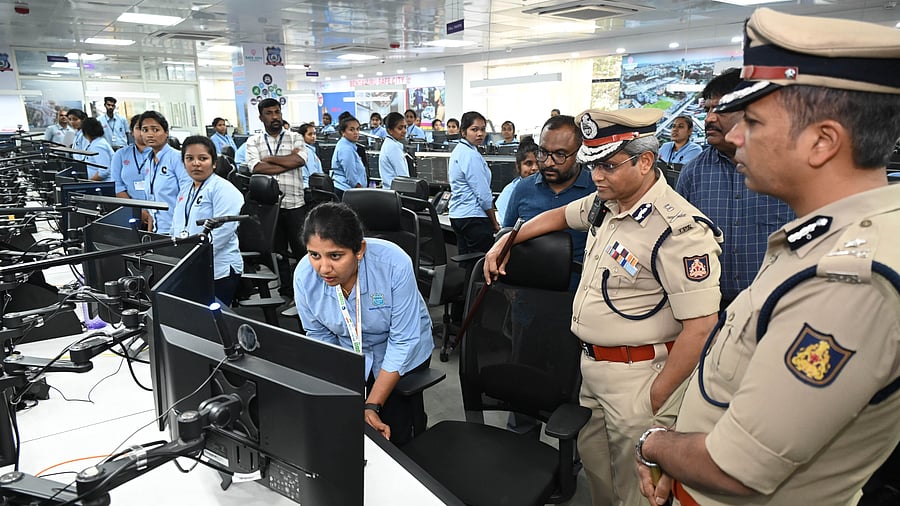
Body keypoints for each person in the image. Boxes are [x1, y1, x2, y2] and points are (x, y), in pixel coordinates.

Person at [635, 8, 900, 506]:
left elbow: (736, 469)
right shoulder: (821, 239)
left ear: (822, 142)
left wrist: (654, 444)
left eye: (753, 122)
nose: (735, 136)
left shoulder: (848, 277)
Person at [483, 108, 722, 506]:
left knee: (638, 492)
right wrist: (508, 239)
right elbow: (559, 215)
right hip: (592, 372)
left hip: (639, 377)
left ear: (645, 161)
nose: (596, 176)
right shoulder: (606, 203)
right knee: (600, 480)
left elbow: (701, 328)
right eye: (593, 164)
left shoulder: (679, 231)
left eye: (609, 166)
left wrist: (655, 400)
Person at [293, 202, 434, 446]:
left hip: (401, 349)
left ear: (359, 250)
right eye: (314, 255)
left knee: (394, 430)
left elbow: (403, 340)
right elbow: (319, 334)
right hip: (349, 350)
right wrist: (344, 385)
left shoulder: (394, 264)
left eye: (335, 256)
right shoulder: (304, 276)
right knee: (344, 424)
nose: (324, 268)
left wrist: (371, 405)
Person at [676, 69, 794, 310]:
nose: (709, 119)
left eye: (721, 109)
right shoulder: (693, 173)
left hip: (778, 305)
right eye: (707, 109)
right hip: (711, 308)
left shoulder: (787, 171)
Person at [501, 115, 595, 266]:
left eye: (560, 154)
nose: (548, 162)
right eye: (543, 152)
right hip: (526, 277)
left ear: (580, 153)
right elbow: (506, 235)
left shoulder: (597, 190)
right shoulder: (523, 188)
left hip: (579, 279)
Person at [246, 98, 309, 297]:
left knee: (302, 251)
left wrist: (270, 159)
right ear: (261, 117)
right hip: (269, 207)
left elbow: (299, 160)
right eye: (269, 113)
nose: (274, 117)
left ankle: (307, 290)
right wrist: (287, 161)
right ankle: (287, 291)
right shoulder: (253, 141)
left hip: (294, 203)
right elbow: (256, 168)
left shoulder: (295, 137)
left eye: (277, 112)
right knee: (278, 253)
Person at [172, 136, 244, 306]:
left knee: (213, 318)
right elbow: (176, 224)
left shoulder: (223, 189)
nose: (196, 163)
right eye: (189, 158)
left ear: (214, 163)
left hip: (217, 269)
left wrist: (194, 259)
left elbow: (223, 232)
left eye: (203, 158)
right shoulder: (186, 189)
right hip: (189, 265)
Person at [448, 111, 498, 261]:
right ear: (463, 132)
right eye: (474, 129)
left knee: (468, 263)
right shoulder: (471, 155)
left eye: (482, 129)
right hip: (473, 217)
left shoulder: (460, 150)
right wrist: (495, 223)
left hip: (458, 216)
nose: (480, 134)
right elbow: (483, 195)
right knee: (482, 264)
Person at [139, 110, 192, 235]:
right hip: (158, 231)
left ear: (166, 132)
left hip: (177, 231)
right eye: (145, 130)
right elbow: (152, 201)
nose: (150, 134)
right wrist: (150, 234)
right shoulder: (149, 160)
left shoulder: (177, 158)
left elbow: (188, 196)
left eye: (155, 130)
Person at [494, 136, 537, 221]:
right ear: (518, 166)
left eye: (538, 163)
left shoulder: (547, 188)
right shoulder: (510, 191)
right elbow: (505, 224)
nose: (535, 168)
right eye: (529, 163)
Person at [110, 114, 150, 200]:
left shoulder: (160, 153)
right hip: (130, 205)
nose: (142, 132)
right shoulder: (120, 154)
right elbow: (117, 185)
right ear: (132, 132)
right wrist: (133, 206)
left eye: (146, 129)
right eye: (138, 128)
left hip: (161, 205)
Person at [331, 115, 367, 196]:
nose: (356, 132)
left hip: (346, 189)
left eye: (357, 129)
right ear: (343, 132)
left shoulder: (348, 145)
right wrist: (361, 191)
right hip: (347, 191)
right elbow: (351, 175)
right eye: (351, 130)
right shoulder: (346, 149)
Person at [378, 112, 408, 190]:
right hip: (396, 191)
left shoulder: (390, 143)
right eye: (400, 128)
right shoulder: (393, 147)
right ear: (390, 130)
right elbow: (402, 176)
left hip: (390, 190)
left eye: (405, 127)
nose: (404, 131)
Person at [298, 123, 323, 188]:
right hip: (310, 187)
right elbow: (313, 174)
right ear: (302, 136)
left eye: (314, 133)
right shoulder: (307, 151)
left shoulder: (304, 148)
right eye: (310, 134)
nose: (313, 136)